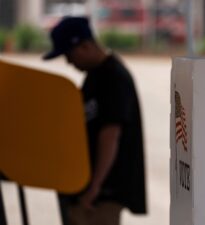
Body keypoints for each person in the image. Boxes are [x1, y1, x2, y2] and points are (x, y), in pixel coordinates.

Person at [43, 16, 147, 225]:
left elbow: (110, 135)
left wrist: (94, 187)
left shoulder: (113, 77)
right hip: (92, 193)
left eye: (69, 55)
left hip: (101, 197)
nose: (69, 62)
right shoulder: (96, 76)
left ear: (85, 45)